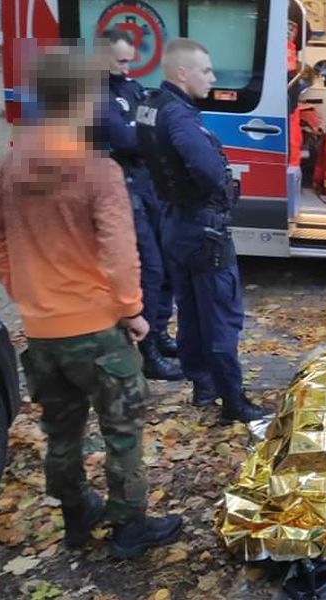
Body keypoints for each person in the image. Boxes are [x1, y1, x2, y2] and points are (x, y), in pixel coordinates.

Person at [0, 46, 182, 558]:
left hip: (43, 332)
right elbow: (120, 251)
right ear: (82, 99)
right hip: (97, 330)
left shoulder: (10, 167)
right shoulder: (98, 171)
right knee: (122, 429)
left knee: (61, 431)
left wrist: (31, 294)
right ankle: (129, 526)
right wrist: (133, 311)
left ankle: (76, 516)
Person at [135, 38, 271, 424]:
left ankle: (203, 387)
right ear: (183, 73)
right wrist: (217, 192)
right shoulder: (181, 117)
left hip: (175, 223)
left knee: (191, 312)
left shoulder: (152, 105)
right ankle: (233, 400)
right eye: (206, 71)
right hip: (203, 228)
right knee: (221, 316)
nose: (212, 78)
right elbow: (209, 171)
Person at [96, 28, 182, 382]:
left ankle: (158, 333)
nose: (127, 67)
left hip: (149, 184)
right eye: (121, 61)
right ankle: (146, 351)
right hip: (122, 188)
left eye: (129, 60)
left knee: (167, 266)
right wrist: (146, 130)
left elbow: (150, 125)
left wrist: (144, 130)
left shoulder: (131, 88)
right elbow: (125, 138)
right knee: (150, 269)